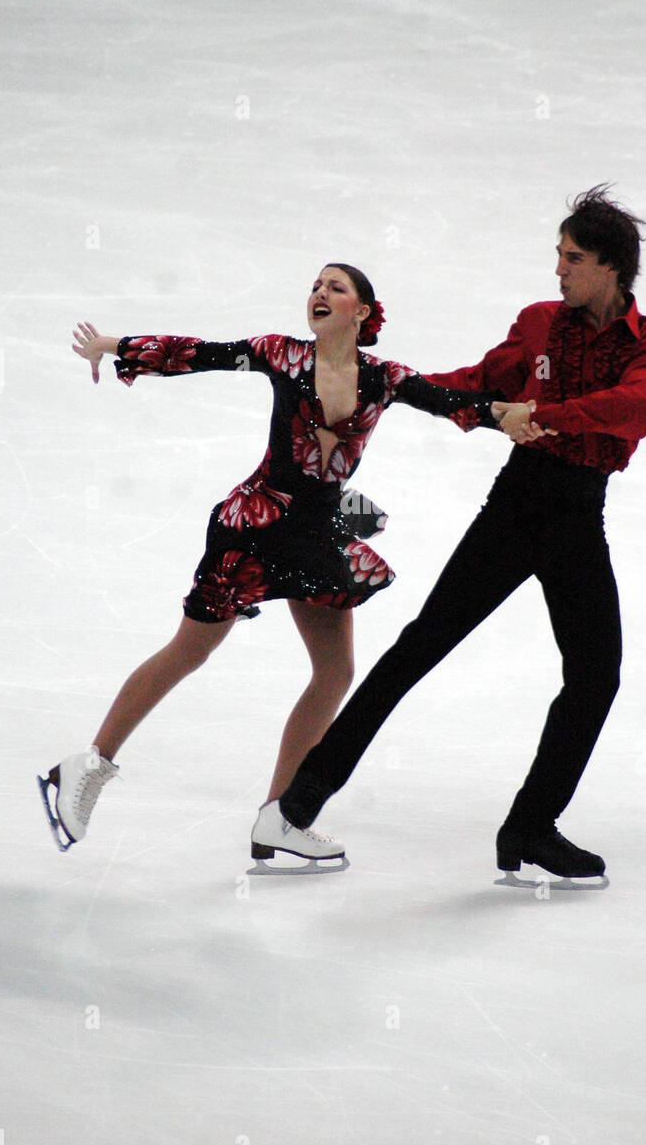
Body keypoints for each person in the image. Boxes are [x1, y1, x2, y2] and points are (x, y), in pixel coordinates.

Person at [255, 188, 646, 878]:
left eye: (572, 258)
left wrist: (556, 415)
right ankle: (295, 809)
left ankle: (530, 827)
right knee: (420, 647)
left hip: (578, 519)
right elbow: (481, 383)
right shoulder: (540, 322)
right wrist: (393, 388)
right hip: (517, 507)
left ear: (611, 268)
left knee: (596, 676)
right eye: (558, 254)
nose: (558, 269)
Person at [38, 264, 520, 857]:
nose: (319, 293)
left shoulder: (384, 378)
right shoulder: (281, 355)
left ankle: (279, 816)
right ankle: (84, 767)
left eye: (335, 288)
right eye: (316, 285)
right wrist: (117, 346)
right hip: (256, 527)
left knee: (335, 673)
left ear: (363, 313)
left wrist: (508, 415)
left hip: (315, 536)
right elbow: (202, 353)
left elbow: (449, 401)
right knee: (191, 649)